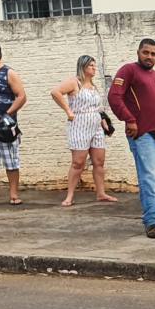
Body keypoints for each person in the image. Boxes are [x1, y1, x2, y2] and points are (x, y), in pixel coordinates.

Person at [108, 38, 155, 239]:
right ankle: (151, 222)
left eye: (153, 54)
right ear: (138, 52)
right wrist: (129, 119)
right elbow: (114, 97)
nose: (149, 57)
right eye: (146, 53)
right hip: (143, 134)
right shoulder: (128, 70)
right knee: (148, 177)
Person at [49, 55, 116, 207]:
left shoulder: (93, 85)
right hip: (79, 125)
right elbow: (55, 92)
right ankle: (70, 196)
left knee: (99, 161)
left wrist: (104, 121)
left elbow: (98, 108)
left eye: (94, 65)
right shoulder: (75, 82)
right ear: (83, 67)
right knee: (78, 162)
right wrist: (68, 111)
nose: (94, 68)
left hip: (96, 125)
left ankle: (101, 193)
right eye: (91, 65)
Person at [0, 43, 27, 206]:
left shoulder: (9, 73)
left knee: (11, 162)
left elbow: (21, 96)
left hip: (5, 127)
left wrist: (6, 115)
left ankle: (14, 194)